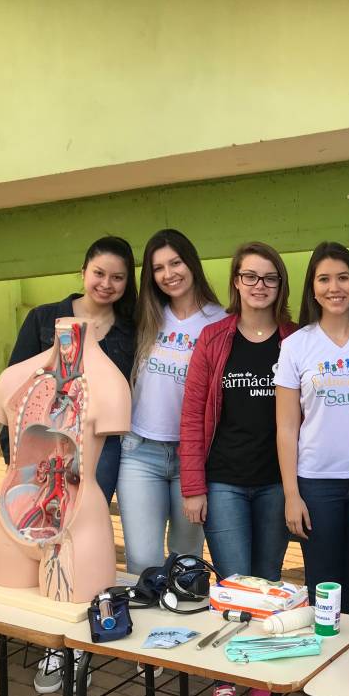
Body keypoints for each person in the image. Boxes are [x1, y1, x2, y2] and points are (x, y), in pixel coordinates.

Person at [3, 235, 136, 696]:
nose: (106, 283)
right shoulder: (44, 319)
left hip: (98, 449)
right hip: (38, 455)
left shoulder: (128, 330)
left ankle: (76, 646)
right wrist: (16, 464)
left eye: (118, 277)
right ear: (83, 272)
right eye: (99, 273)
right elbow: (15, 392)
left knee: (78, 541)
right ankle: (49, 643)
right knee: (32, 545)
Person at [180, 242, 297, 696]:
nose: (259, 286)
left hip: (276, 484)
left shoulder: (295, 339)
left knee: (267, 582)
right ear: (236, 281)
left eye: (269, 278)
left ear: (280, 284)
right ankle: (225, 679)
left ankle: (259, 668)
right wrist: (193, 486)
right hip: (224, 480)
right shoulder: (214, 338)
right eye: (250, 276)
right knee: (232, 585)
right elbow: (192, 414)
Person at [275, 243, 349, 696]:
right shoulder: (298, 346)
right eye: (324, 279)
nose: (334, 287)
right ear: (312, 288)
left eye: (343, 277)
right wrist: (292, 493)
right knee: (324, 586)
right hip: (316, 483)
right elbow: (286, 427)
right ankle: (325, 684)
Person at [117, 229, 224, 578]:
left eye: (175, 263)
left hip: (193, 457)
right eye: (158, 268)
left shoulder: (221, 321)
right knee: (142, 561)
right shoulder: (144, 316)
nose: (169, 274)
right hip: (139, 451)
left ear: (191, 263)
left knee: (187, 561)